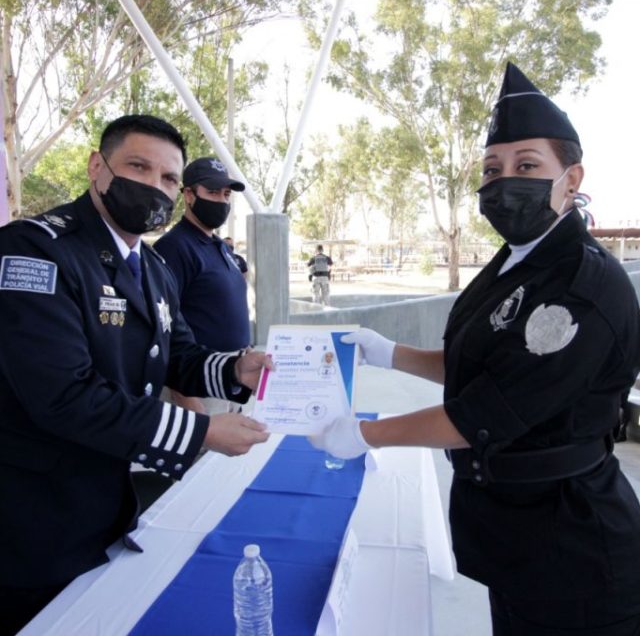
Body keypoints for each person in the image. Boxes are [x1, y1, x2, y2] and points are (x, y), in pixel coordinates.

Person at [310, 63, 640, 635]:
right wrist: (390, 353)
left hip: (574, 551)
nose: (504, 180)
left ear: (571, 179)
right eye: (492, 169)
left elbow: (481, 415)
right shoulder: (517, 261)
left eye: (527, 165)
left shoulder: (579, 287)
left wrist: (365, 434)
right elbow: (483, 370)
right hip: (517, 535)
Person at [0, 115, 271, 635]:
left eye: (168, 177)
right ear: (97, 167)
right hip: (35, 526)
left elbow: (178, 356)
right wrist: (200, 432)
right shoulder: (36, 250)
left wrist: (234, 368)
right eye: (138, 167)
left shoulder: (152, 267)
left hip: (105, 509)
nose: (154, 186)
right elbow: (64, 395)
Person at [154, 157, 251, 415]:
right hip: (197, 387)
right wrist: (188, 401)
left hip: (230, 377)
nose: (221, 200)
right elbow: (164, 329)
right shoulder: (174, 248)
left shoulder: (220, 246)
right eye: (213, 192)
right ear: (189, 195)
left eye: (226, 194)